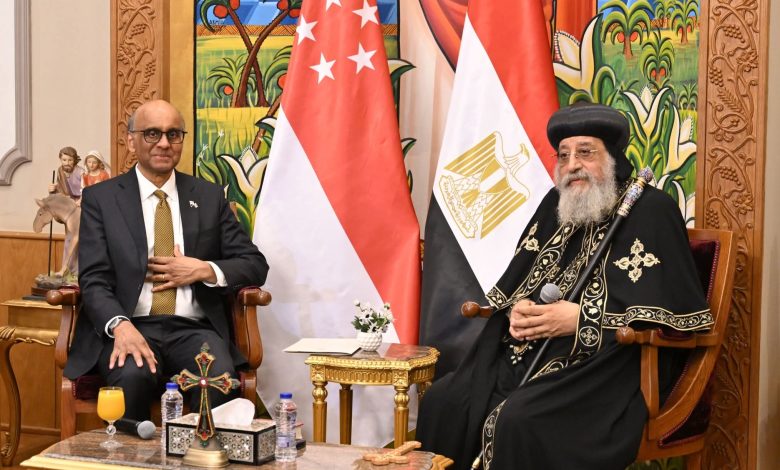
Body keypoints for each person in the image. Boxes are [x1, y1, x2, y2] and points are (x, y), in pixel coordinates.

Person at [416, 103, 713, 469]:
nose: (572, 164)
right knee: (443, 401)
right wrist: (520, 311)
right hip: (532, 356)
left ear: (613, 158)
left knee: (519, 420)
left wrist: (582, 319)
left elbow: (675, 318)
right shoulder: (556, 204)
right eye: (564, 155)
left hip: (607, 370)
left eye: (586, 152)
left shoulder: (652, 210)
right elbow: (523, 278)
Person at [64, 99, 269, 420]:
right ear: (131, 141)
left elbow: (254, 264)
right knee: (132, 376)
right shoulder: (102, 199)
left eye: (173, 134)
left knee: (216, 379)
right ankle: (133, 453)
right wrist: (120, 325)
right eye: (152, 134)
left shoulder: (208, 196)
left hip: (195, 330)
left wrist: (204, 269)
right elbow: (93, 278)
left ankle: (202, 451)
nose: (163, 143)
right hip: (131, 325)